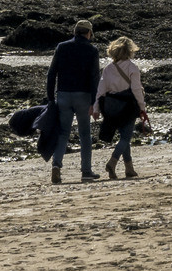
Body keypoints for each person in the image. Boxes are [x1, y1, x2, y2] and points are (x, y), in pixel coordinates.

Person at [45, 19, 102, 184]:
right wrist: (94, 102)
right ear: (89, 33)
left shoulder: (62, 47)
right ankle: (86, 171)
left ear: (75, 32)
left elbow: (51, 73)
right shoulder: (92, 50)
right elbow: (94, 78)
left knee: (63, 133)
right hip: (83, 96)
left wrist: (50, 98)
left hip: (63, 95)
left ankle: (56, 164)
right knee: (85, 134)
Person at [94, 36, 149, 180]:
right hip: (128, 106)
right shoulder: (132, 67)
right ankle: (112, 162)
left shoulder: (108, 69)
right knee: (125, 137)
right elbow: (137, 89)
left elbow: (101, 90)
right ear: (130, 51)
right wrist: (142, 107)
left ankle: (129, 169)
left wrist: (96, 109)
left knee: (124, 137)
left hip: (111, 106)